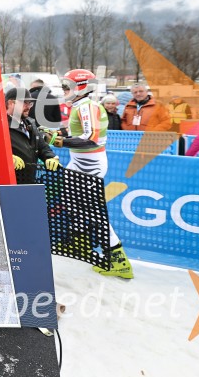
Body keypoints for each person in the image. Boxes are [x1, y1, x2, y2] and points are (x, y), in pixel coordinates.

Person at [55, 69, 133, 279]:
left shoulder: (87, 106)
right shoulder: (80, 105)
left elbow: (91, 138)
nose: (63, 89)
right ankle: (80, 243)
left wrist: (58, 141)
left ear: (81, 87)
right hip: (79, 161)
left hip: (89, 164)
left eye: (67, 86)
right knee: (71, 203)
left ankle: (119, 260)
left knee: (93, 212)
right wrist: (58, 133)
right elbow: (77, 132)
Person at [6, 87, 59, 184]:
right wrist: (7, 158)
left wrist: (50, 157)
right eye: (24, 103)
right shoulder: (0, 125)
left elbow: (42, 146)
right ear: (11, 103)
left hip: (29, 180)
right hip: (10, 182)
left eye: (30, 103)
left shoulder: (30, 123)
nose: (28, 107)